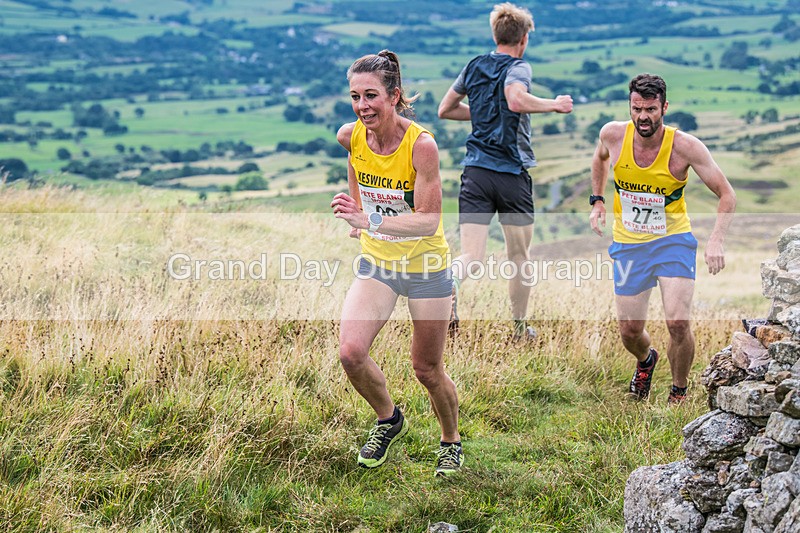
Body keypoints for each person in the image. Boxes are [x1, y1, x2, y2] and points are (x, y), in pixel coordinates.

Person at [330, 50, 463, 476]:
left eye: (371, 95)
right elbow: (356, 167)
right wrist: (357, 208)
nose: (362, 105)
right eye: (355, 96)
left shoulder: (420, 146)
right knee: (351, 352)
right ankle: (389, 419)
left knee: (426, 368)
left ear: (394, 96)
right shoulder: (350, 135)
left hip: (425, 268)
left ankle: (450, 441)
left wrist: (368, 217)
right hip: (379, 264)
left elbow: (427, 222)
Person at [589, 73, 736, 404]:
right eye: (637, 108)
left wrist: (716, 240)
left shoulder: (685, 147)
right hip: (629, 245)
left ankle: (679, 391)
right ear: (630, 106)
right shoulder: (612, 135)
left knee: (678, 323)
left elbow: (727, 194)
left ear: (664, 107)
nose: (643, 117)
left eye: (651, 109)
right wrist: (597, 200)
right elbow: (599, 160)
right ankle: (646, 360)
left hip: (673, 241)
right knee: (629, 331)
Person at [437, 2, 573, 340]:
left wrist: (485, 113)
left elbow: (445, 109)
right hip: (511, 175)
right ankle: (518, 328)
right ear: (523, 38)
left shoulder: (474, 66)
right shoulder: (519, 67)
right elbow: (515, 99)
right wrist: (553, 104)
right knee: (519, 257)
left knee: (471, 254)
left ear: (495, 34)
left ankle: (446, 286)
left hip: (475, 173)